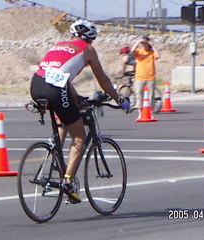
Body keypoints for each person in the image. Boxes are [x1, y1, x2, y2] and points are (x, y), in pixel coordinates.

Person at [30, 20, 130, 204]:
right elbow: (103, 80)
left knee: (67, 118)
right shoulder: (88, 49)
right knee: (79, 137)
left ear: (72, 35)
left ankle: (55, 157)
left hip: (36, 85)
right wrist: (120, 100)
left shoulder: (58, 45)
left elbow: (59, 76)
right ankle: (67, 181)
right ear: (91, 39)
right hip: (55, 88)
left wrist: (76, 97)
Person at [131, 36, 160, 119]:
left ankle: (151, 112)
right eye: (142, 43)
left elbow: (158, 56)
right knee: (139, 95)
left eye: (145, 43)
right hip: (139, 77)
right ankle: (140, 113)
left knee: (151, 96)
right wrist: (138, 42)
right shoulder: (139, 52)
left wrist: (152, 46)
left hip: (150, 77)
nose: (143, 44)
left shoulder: (151, 52)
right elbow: (132, 51)